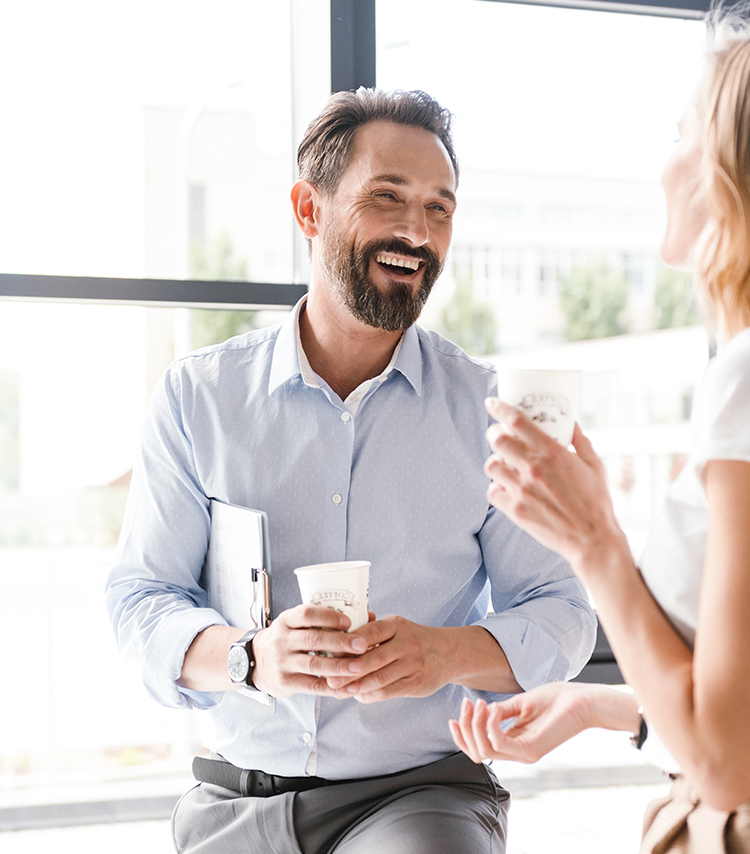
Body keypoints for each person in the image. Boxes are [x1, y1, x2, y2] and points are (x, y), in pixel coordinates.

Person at [451, 19, 750, 854]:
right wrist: (599, 705)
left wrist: (593, 541)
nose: (663, 164)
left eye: (681, 135)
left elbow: (726, 761)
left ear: (739, 168)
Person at [106, 88, 596, 854]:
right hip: (236, 796)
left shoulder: (491, 409)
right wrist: (251, 657)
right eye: (387, 198)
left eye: (440, 208)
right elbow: (141, 599)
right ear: (309, 210)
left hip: (419, 793)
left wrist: (444, 652)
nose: (417, 231)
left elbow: (561, 611)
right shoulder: (199, 396)